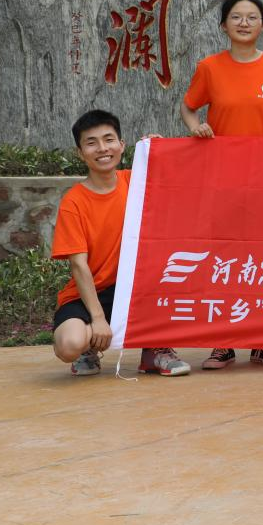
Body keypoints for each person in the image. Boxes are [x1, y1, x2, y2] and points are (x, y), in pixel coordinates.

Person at [182, 0, 263, 370]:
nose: (244, 23)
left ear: (262, 25)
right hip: (222, 179)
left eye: (251, 17)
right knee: (224, 258)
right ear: (223, 25)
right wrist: (196, 127)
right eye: (236, 17)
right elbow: (188, 107)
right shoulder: (210, 67)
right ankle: (222, 342)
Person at [51, 110, 189, 377]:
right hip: (91, 293)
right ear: (80, 153)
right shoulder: (73, 202)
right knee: (69, 345)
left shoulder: (135, 181)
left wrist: (159, 149)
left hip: (139, 289)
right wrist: (98, 318)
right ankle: (88, 347)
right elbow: (79, 266)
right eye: (91, 143)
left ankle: (155, 351)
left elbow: (180, 178)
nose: (103, 149)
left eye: (109, 139)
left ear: (122, 145)